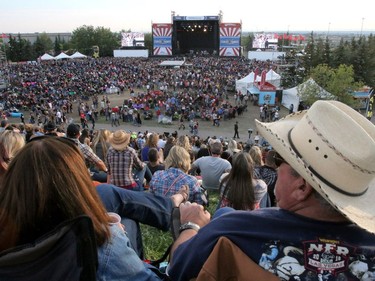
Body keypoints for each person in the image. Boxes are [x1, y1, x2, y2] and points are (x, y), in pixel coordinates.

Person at [169, 100, 375, 281]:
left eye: (279, 159)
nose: (275, 166)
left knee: (225, 212)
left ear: (302, 187)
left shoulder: (233, 229)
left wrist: (191, 225)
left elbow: (177, 267)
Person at [0, 136, 185, 280]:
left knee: (108, 193)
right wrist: (189, 229)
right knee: (127, 218)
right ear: (76, 185)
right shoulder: (104, 248)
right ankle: (171, 206)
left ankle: (168, 205)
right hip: (93, 249)